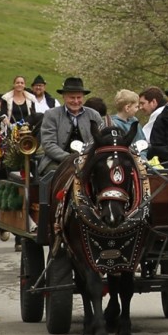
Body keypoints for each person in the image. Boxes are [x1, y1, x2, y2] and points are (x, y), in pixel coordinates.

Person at [35, 79, 104, 240]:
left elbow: (100, 139)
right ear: (64, 97)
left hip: (88, 160)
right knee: (51, 177)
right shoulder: (51, 115)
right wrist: (70, 159)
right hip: (57, 161)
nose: (76, 101)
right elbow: (49, 144)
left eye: (79, 97)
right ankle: (49, 220)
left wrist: (87, 158)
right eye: (72, 98)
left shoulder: (93, 115)